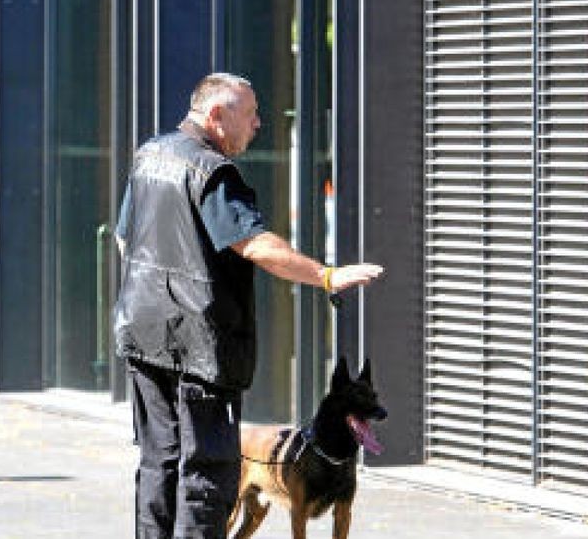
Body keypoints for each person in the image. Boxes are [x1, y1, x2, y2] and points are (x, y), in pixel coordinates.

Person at [113, 72, 384, 538]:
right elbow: (255, 244)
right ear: (216, 116)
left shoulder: (149, 156)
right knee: (206, 473)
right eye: (251, 113)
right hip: (197, 347)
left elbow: (124, 239)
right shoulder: (213, 171)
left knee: (159, 463)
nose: (258, 123)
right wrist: (326, 276)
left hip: (143, 335)